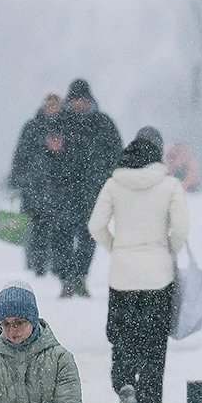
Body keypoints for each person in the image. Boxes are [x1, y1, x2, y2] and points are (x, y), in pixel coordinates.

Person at [88, 126, 189, 403]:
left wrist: (116, 247)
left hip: (122, 276)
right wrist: (166, 249)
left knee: (123, 338)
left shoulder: (114, 184)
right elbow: (181, 228)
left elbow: (95, 226)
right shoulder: (170, 185)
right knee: (154, 346)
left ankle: (124, 384)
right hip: (159, 277)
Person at [51, 78, 122, 298]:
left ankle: (80, 276)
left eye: (83, 99)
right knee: (61, 235)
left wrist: (107, 178)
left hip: (93, 191)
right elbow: (46, 156)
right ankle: (66, 278)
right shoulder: (58, 123)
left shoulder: (103, 124)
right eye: (75, 99)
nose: (79, 104)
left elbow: (116, 154)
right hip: (64, 191)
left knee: (89, 235)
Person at [8, 92, 64, 275]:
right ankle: (37, 264)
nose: (52, 109)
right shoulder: (32, 127)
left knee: (55, 228)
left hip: (56, 188)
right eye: (49, 105)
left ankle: (54, 264)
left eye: (55, 105)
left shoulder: (66, 126)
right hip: (33, 187)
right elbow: (20, 155)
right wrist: (17, 180)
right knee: (35, 227)